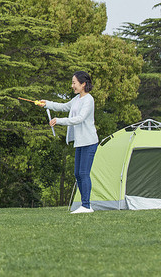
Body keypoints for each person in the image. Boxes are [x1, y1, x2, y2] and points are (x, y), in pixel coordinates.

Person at [41, 71, 99, 214]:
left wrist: (59, 121)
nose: (72, 85)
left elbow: (79, 118)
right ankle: (84, 205)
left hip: (89, 142)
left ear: (83, 84)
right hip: (80, 142)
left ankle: (86, 206)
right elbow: (63, 107)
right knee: (77, 174)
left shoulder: (88, 100)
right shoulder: (77, 99)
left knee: (84, 173)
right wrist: (46, 104)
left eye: (74, 82)